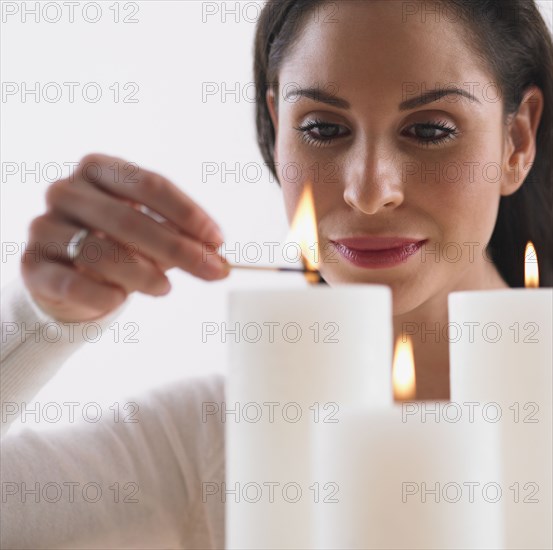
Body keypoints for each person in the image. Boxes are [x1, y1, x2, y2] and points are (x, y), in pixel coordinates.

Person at [2, 0, 551, 547]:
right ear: (276, 124)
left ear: (517, 141)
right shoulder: (218, 449)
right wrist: (39, 324)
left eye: (430, 130)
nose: (367, 191)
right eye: (323, 128)